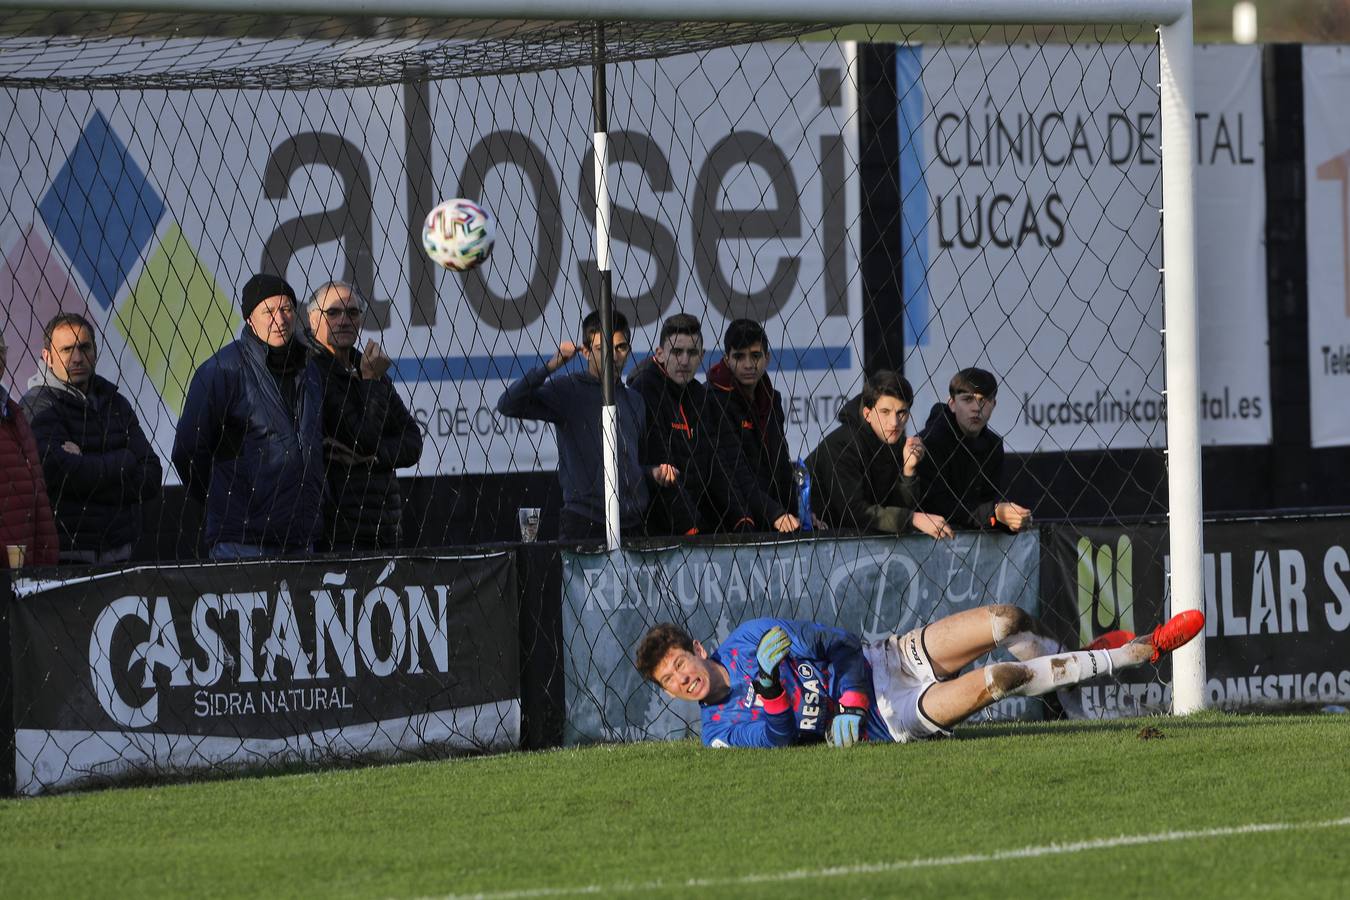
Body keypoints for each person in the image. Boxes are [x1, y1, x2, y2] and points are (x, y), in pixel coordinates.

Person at [635, 606, 1203, 748]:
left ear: (698, 649)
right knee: (999, 679)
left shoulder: (751, 636)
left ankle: (1079, 654)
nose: (681, 679)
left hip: (886, 661)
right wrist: (768, 687)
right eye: (669, 681)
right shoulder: (716, 733)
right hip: (890, 720)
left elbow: (837, 645)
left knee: (1006, 619)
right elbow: (780, 738)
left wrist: (851, 700)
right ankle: (1136, 652)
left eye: (679, 663)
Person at [172, 273, 325, 560]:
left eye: (287, 309)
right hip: (242, 543)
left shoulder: (310, 369)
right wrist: (225, 502)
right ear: (249, 319)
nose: (279, 320)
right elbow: (187, 449)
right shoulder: (221, 370)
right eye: (268, 311)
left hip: (301, 541)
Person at [497, 310, 660, 541]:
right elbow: (508, 404)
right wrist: (552, 365)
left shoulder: (635, 401)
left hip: (632, 524)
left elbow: (632, 464)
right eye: (602, 348)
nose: (612, 356)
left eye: (620, 348)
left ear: (628, 350)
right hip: (586, 523)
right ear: (585, 351)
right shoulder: (569, 391)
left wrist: (652, 473)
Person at [20, 313, 161, 564]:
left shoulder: (116, 403)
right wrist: (123, 462)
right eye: (66, 350)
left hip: (121, 556)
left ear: (95, 352)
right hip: (67, 559)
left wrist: (86, 468)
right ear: (47, 358)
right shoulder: (37, 406)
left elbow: (151, 474)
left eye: (84, 347)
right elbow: (57, 474)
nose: (76, 357)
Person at [305, 281, 423, 552]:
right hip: (337, 533)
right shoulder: (311, 371)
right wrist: (369, 380)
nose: (344, 320)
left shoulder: (367, 366)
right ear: (313, 320)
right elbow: (362, 439)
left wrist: (374, 458)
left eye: (352, 313)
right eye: (332, 313)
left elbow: (413, 442)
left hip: (384, 529)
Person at [629, 312, 752, 535]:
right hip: (656, 534)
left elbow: (718, 466)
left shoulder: (700, 395)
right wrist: (692, 531)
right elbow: (660, 466)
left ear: (702, 355)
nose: (684, 361)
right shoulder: (644, 389)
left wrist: (742, 519)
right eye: (677, 352)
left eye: (692, 352)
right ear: (660, 353)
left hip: (695, 526)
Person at [805, 369, 952, 539]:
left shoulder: (898, 443)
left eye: (901, 412)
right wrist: (913, 519)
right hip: (816, 543)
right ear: (867, 414)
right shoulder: (842, 445)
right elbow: (855, 513)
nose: (894, 422)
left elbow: (895, 513)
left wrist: (908, 471)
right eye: (885, 412)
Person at [706, 318, 799, 533]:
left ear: (767, 358)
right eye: (739, 357)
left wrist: (799, 515)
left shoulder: (771, 399)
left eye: (755, 356)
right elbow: (736, 472)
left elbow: (781, 464)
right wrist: (775, 513)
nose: (748, 364)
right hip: (732, 523)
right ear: (727, 359)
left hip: (771, 517)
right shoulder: (712, 400)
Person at [917, 367, 1032, 532]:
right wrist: (994, 512)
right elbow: (935, 506)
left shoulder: (993, 445)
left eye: (984, 400)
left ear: (994, 404)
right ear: (952, 404)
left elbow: (985, 508)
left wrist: (1009, 522)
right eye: (968, 399)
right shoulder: (929, 441)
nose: (977, 408)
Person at [0, 331, 59, 569]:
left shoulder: (16, 415)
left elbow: (39, 495)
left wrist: (47, 559)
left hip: (28, 575)